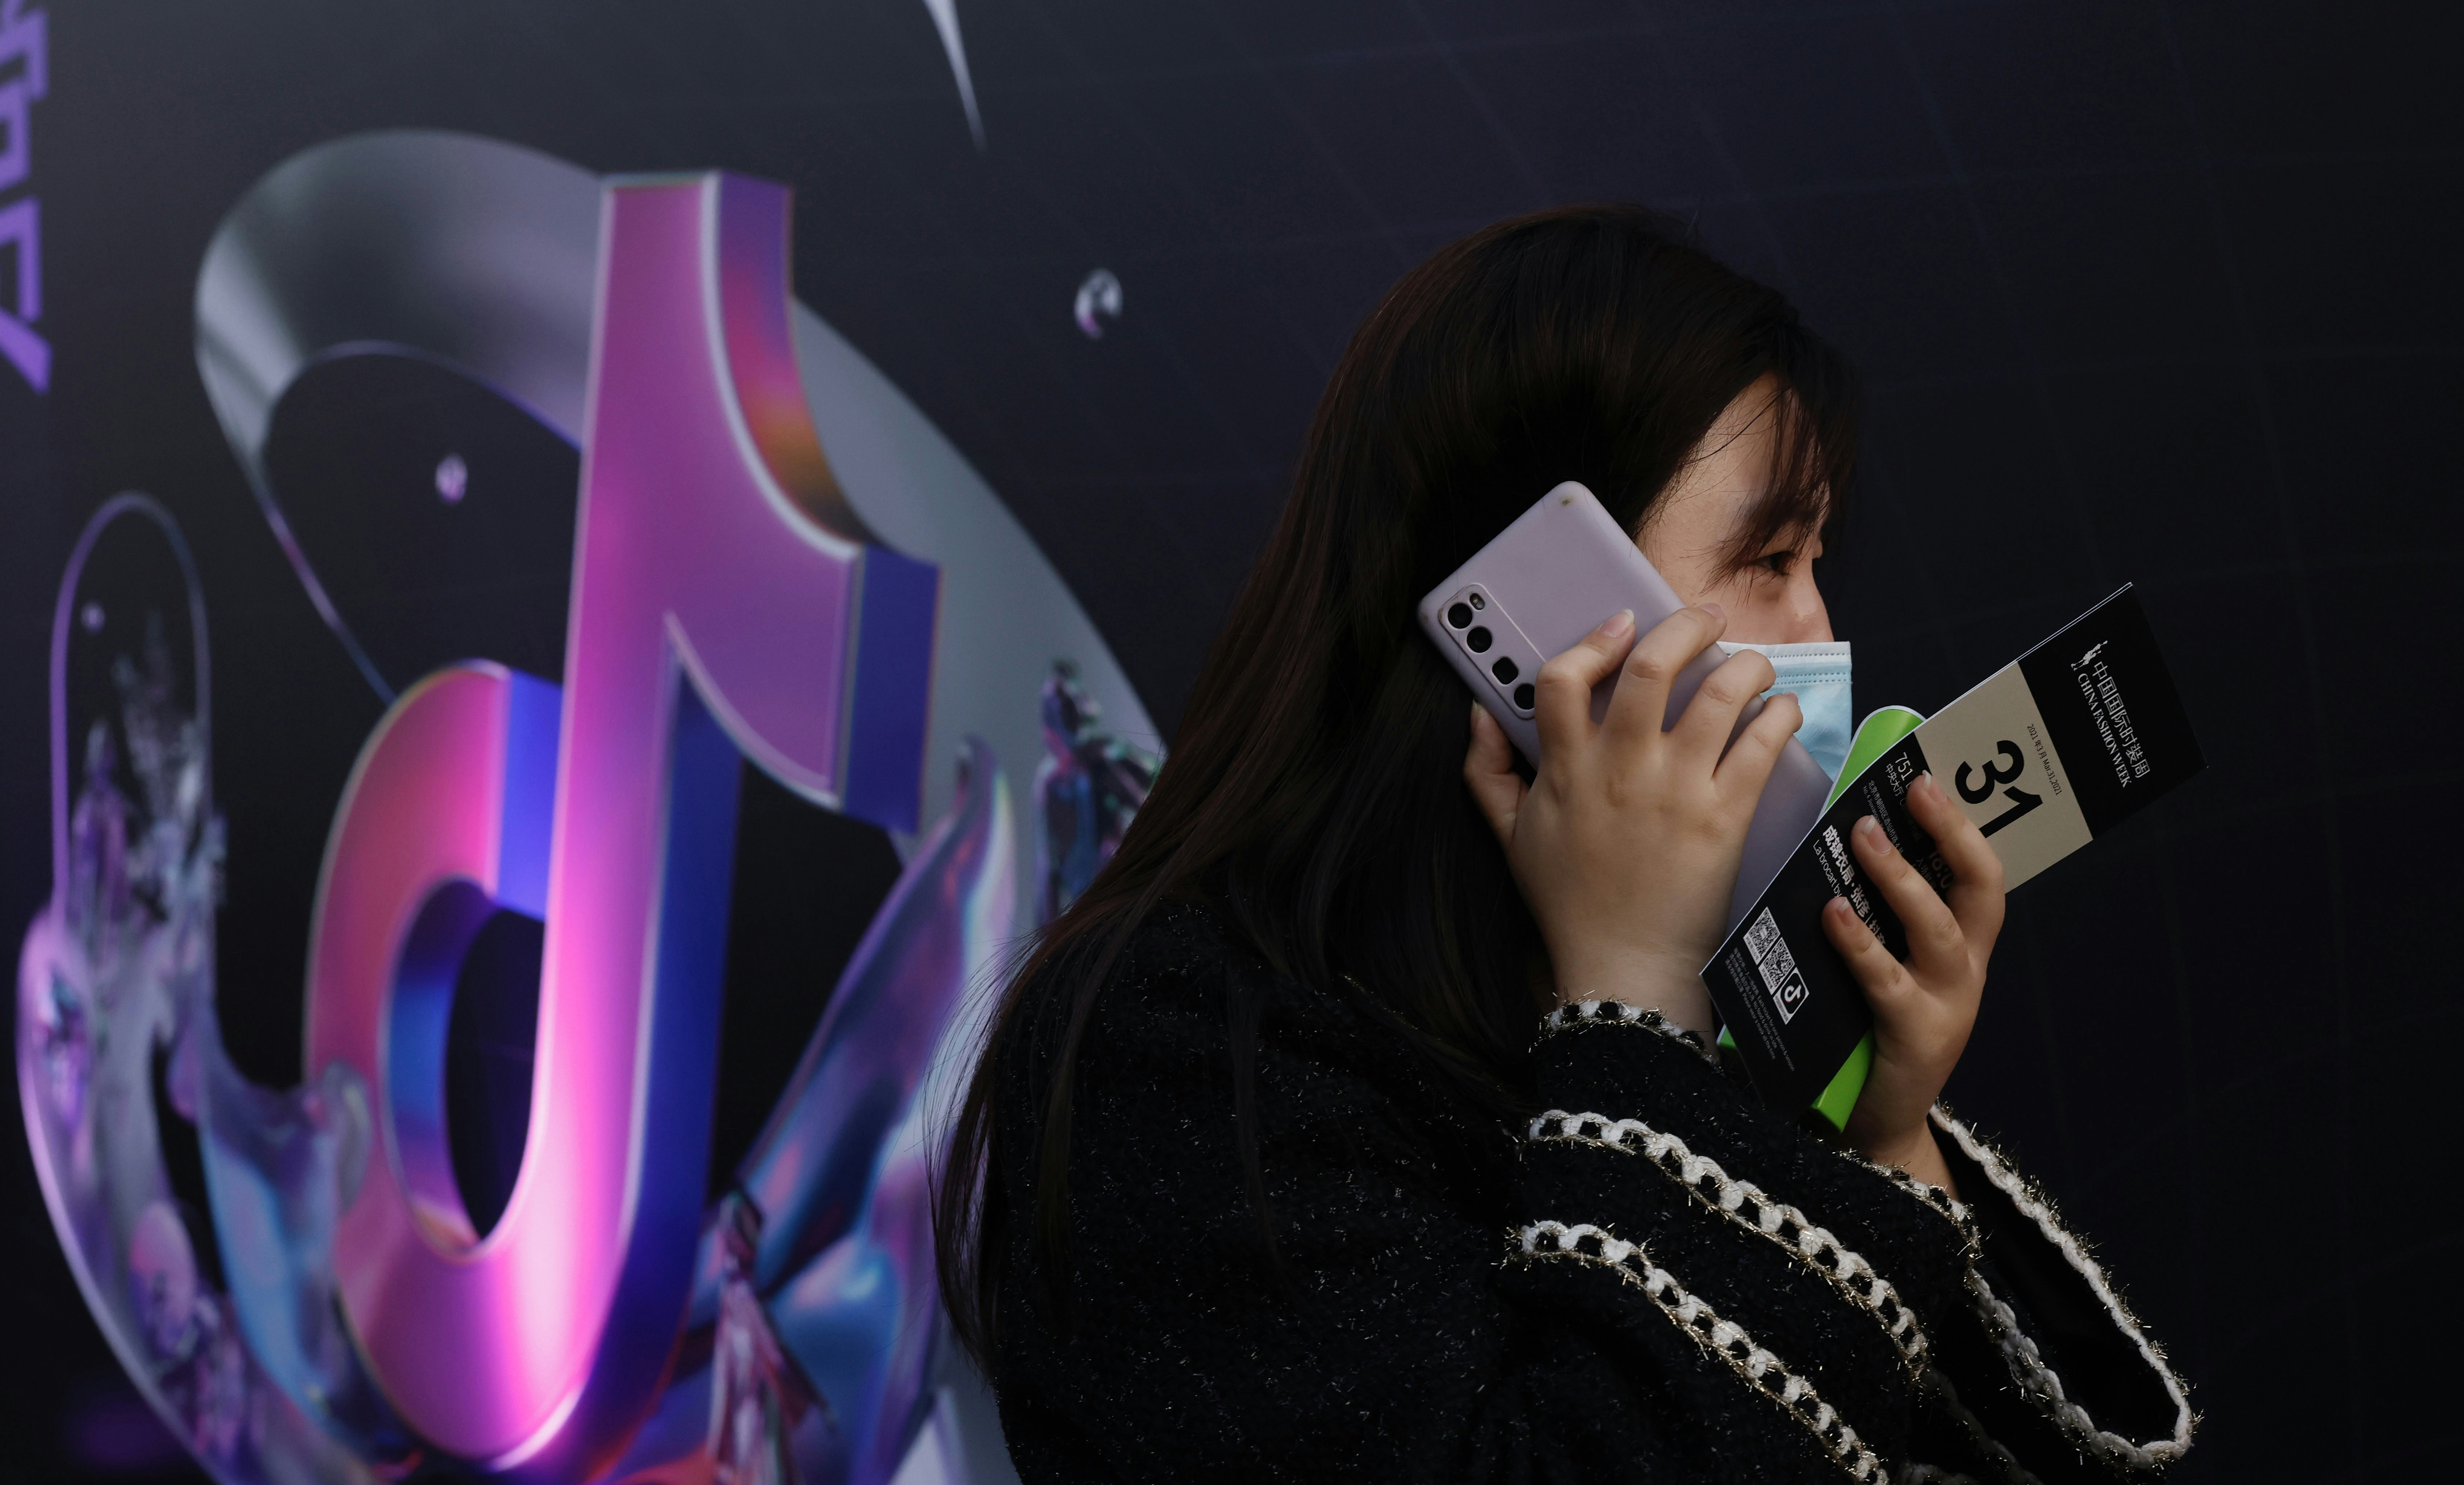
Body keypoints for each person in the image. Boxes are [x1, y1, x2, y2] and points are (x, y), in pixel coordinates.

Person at [933, 206, 2192, 1482]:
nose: (1817, 618)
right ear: (1539, 607)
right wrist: (1635, 997)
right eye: (1767, 555)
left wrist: (1880, 1132)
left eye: (1818, 556)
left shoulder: (1719, 1031)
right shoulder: (1184, 1046)